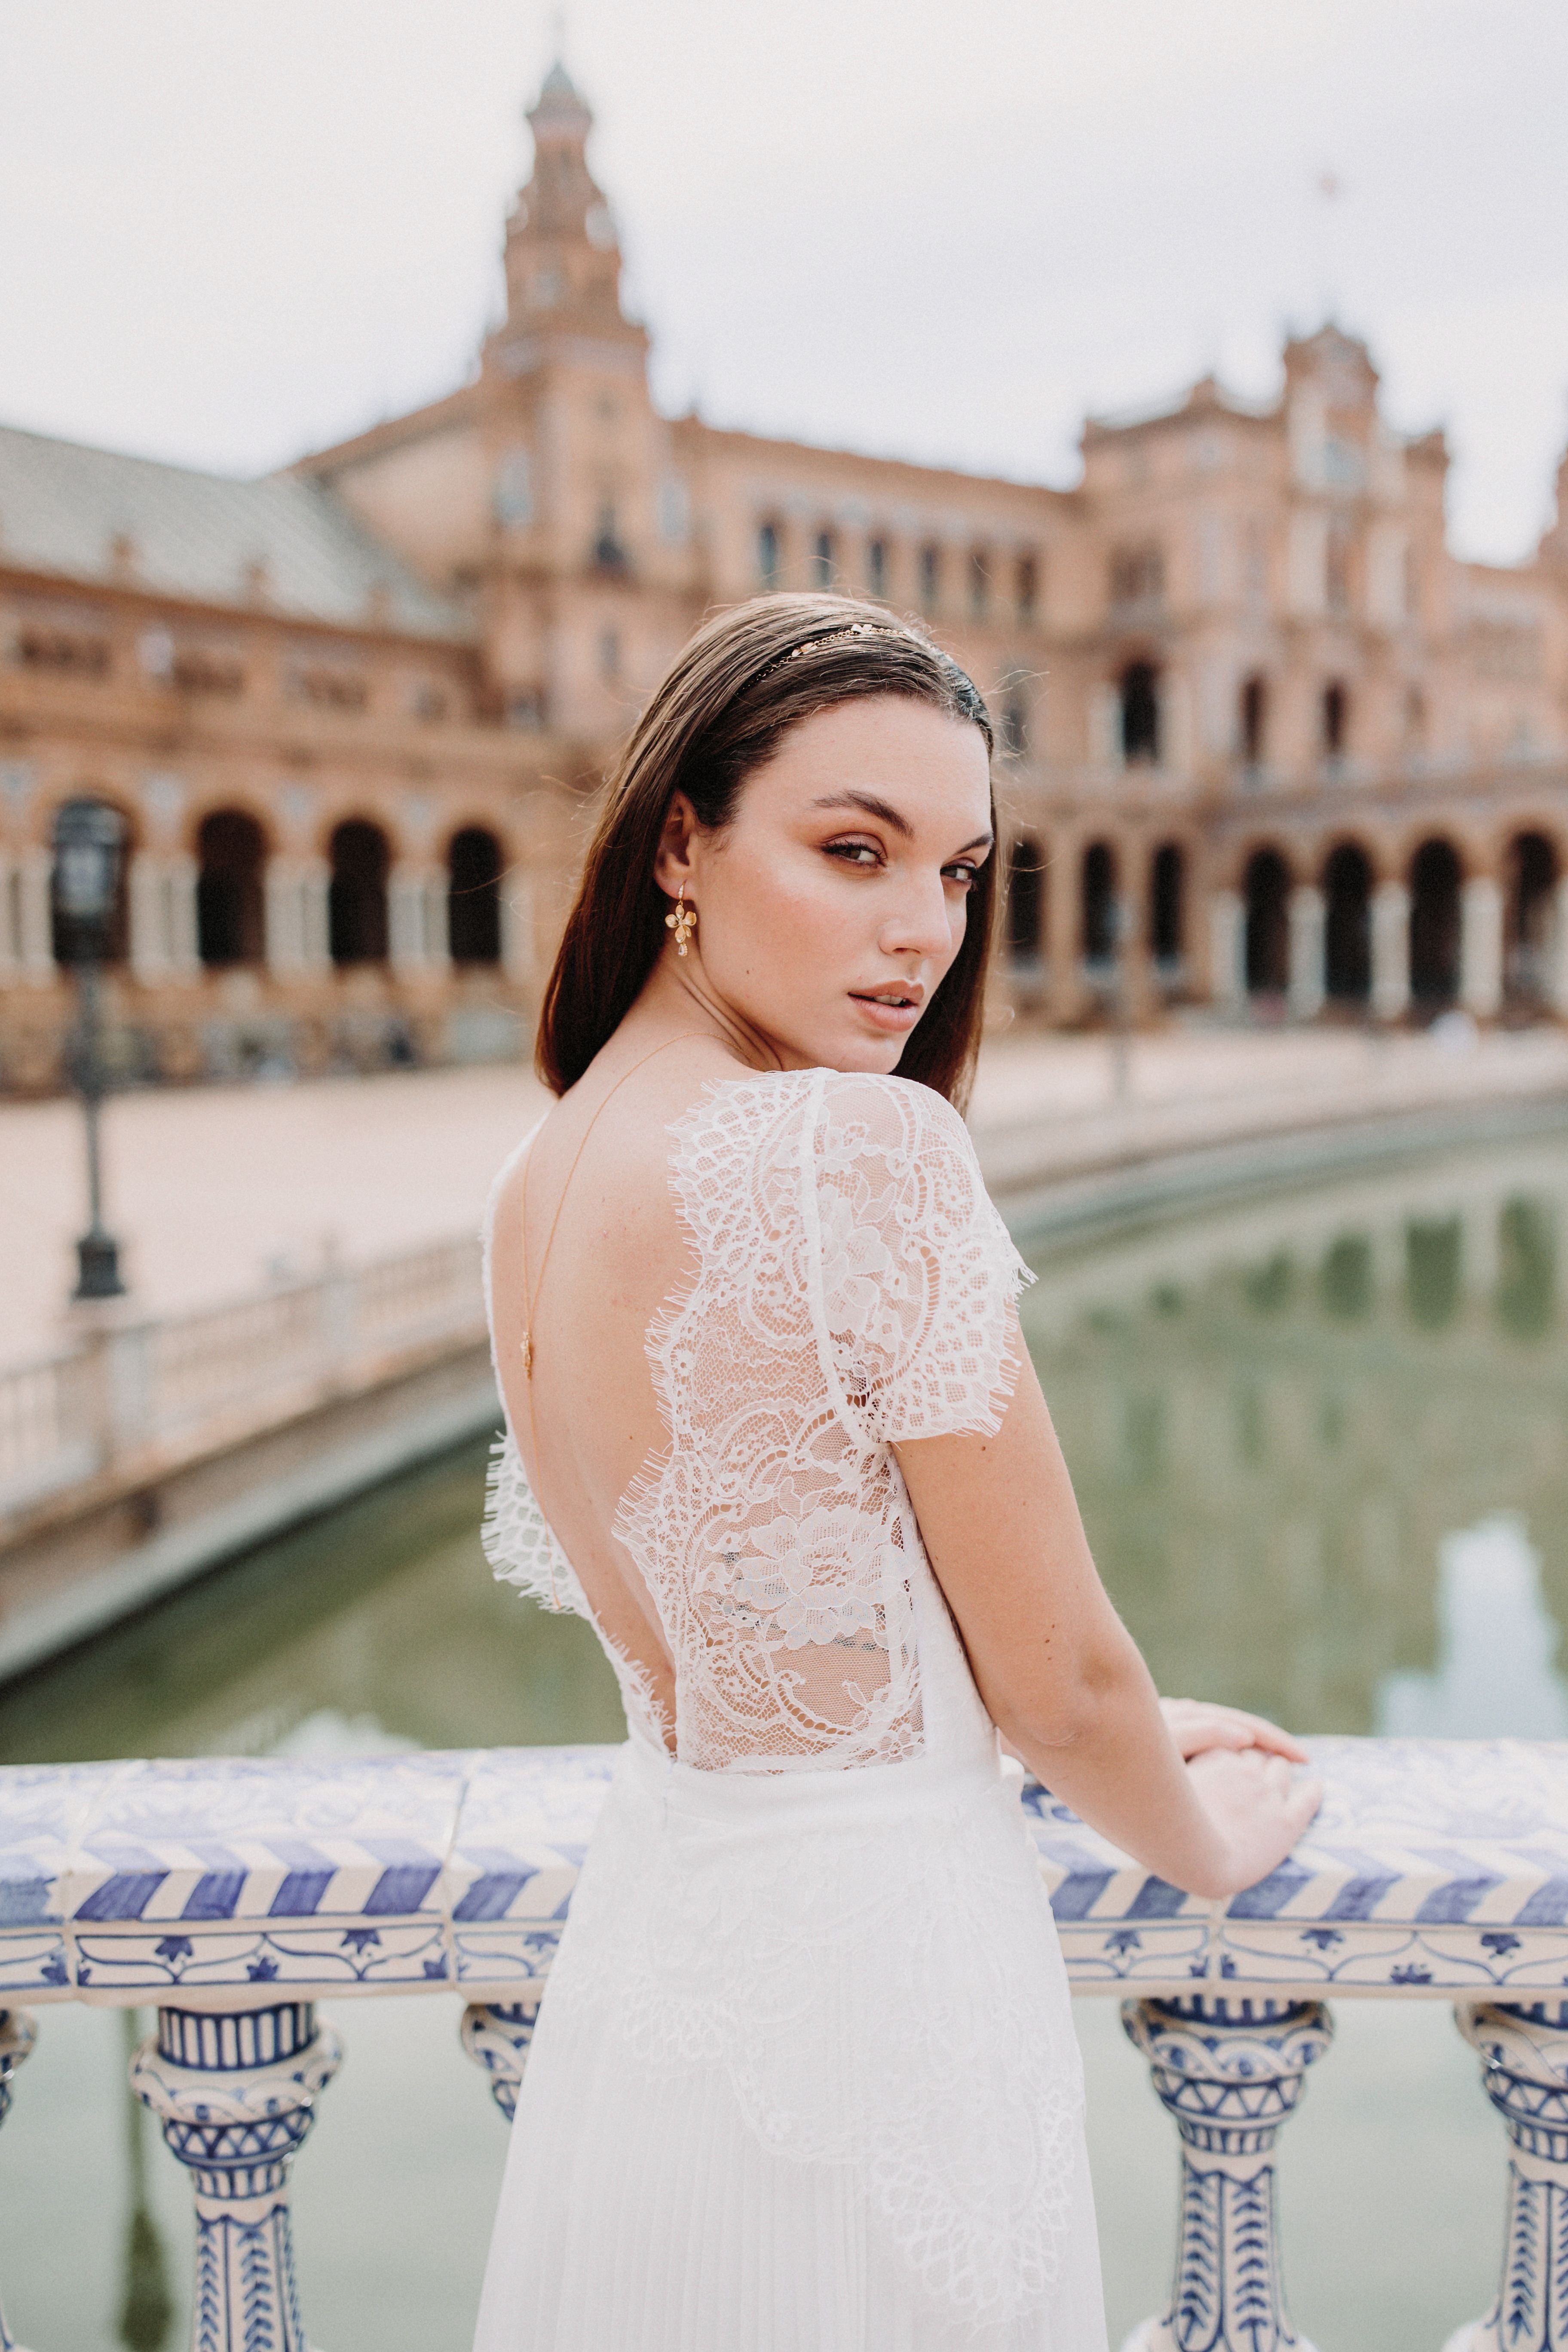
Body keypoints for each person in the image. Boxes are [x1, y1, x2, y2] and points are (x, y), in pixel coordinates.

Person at [473, 592, 1321, 2352]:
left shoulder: (539, 1180)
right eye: (855, 849)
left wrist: (1095, 1724)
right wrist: (1206, 1847)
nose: (920, 929)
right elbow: (1066, 1681)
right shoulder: (856, 1150)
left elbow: (799, 1625)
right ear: (682, 839)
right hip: (881, 1999)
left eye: (957, 871)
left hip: (662, 1977)